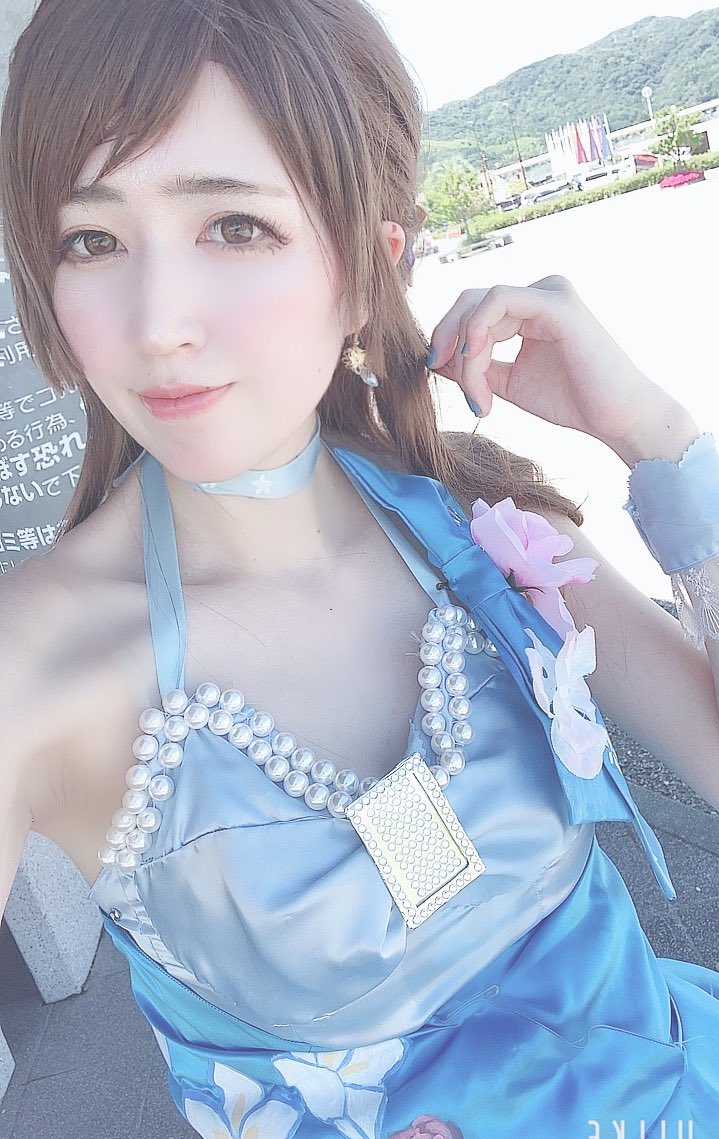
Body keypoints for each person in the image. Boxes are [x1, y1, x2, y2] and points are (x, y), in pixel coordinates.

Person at [1, 1, 718, 1136]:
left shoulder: (477, 527)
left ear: (368, 265)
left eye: (234, 225)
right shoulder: (36, 660)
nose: (157, 323)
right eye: (92, 239)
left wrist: (656, 439)